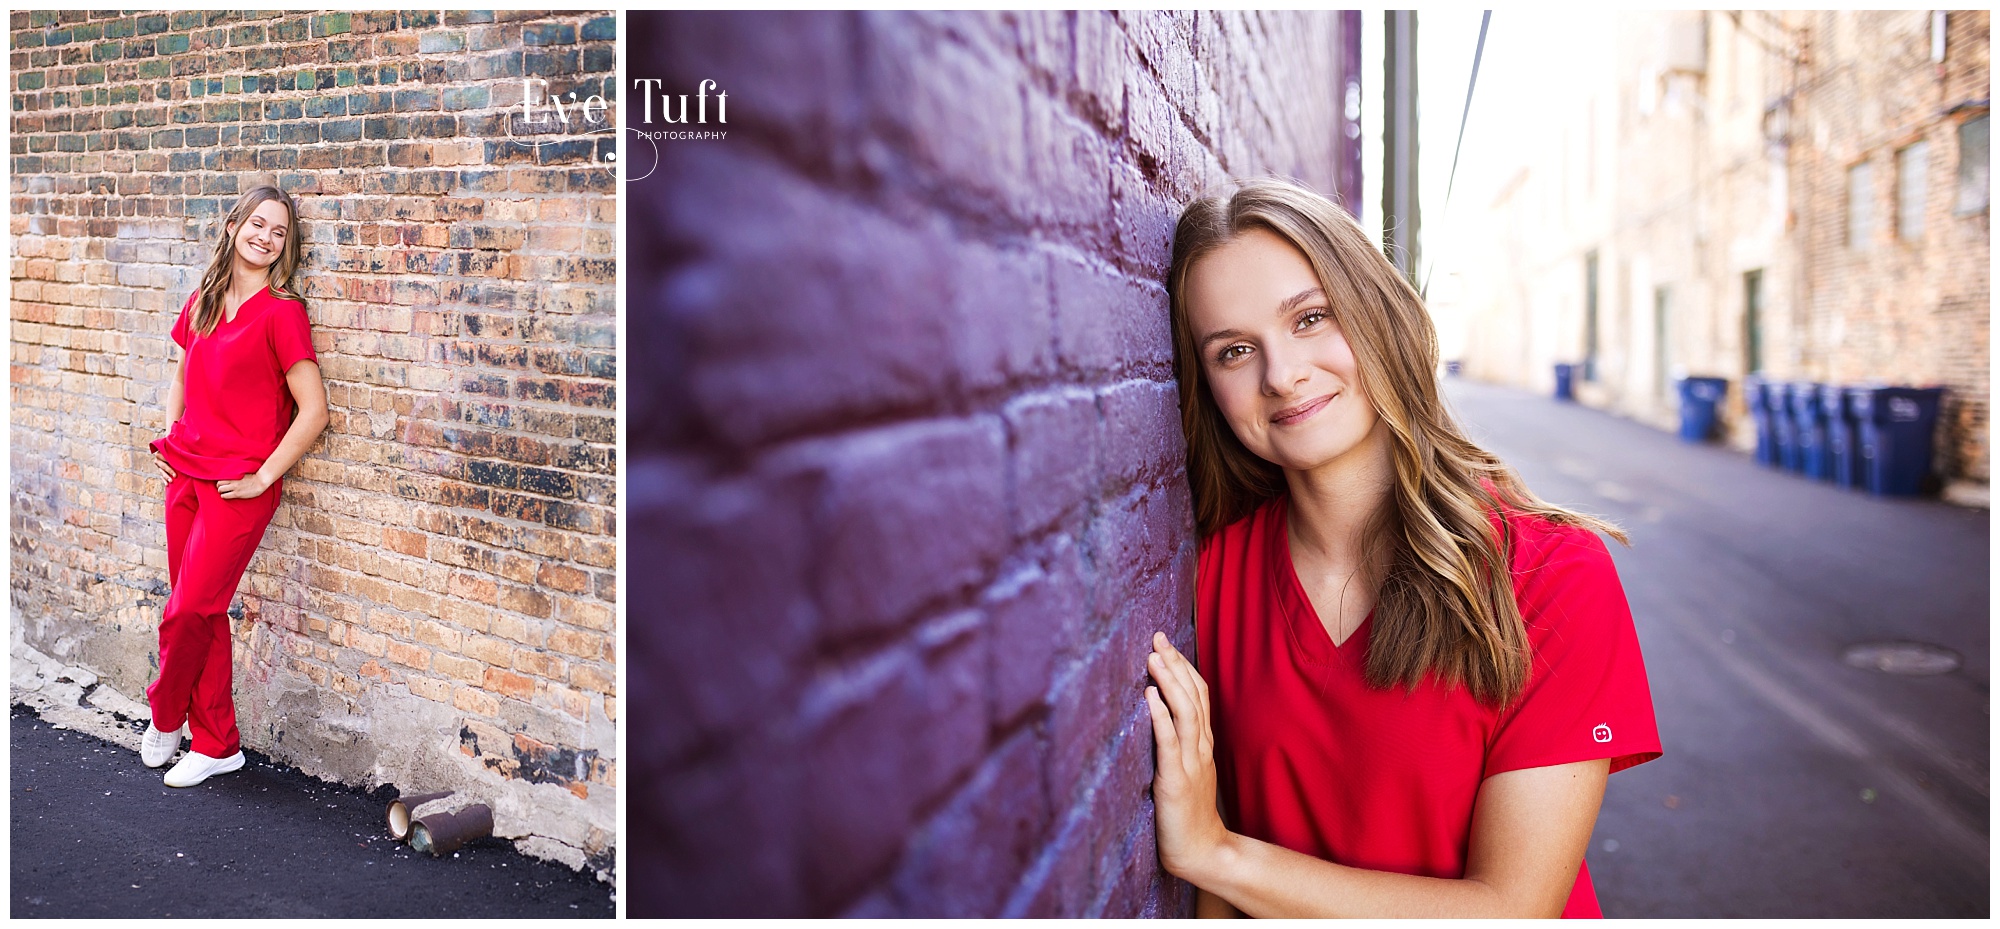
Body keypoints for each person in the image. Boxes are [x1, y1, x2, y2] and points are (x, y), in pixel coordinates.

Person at [1145, 177, 1661, 918]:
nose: (1282, 374)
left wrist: (1216, 853)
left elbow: (1512, 909)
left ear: (1377, 314)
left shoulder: (1551, 572)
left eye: (1311, 317)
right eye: (1232, 352)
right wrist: (1215, 869)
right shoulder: (1217, 574)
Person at [141, 185, 328, 788]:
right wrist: (171, 436)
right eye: (257, 224)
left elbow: (314, 411)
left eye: (278, 232)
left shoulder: (281, 312)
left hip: (236, 489)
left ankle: (167, 714)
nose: (266, 237)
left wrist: (264, 477)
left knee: (189, 607)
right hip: (186, 476)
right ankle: (218, 742)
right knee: (203, 613)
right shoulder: (204, 299)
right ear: (232, 226)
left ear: (286, 246)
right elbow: (181, 375)